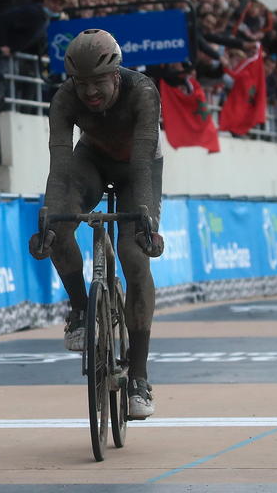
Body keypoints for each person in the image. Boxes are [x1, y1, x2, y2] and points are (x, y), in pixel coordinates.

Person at [28, 28, 165, 420]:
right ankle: (81, 309)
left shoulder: (143, 92)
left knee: (133, 255)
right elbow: (59, 166)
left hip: (138, 167)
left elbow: (140, 162)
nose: (89, 93)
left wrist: (146, 221)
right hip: (89, 160)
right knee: (57, 227)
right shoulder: (64, 99)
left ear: (116, 76)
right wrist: (51, 220)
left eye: (97, 84)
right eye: (81, 83)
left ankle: (138, 376)